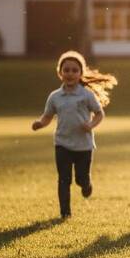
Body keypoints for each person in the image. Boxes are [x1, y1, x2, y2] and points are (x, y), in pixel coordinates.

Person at [31, 50, 116, 218]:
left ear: (81, 73)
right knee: (64, 179)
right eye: (66, 70)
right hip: (62, 144)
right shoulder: (55, 97)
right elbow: (48, 116)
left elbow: (99, 114)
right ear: (60, 72)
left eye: (74, 70)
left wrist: (91, 125)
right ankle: (65, 213)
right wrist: (40, 123)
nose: (70, 73)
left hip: (83, 146)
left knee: (80, 179)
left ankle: (86, 184)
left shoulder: (86, 95)